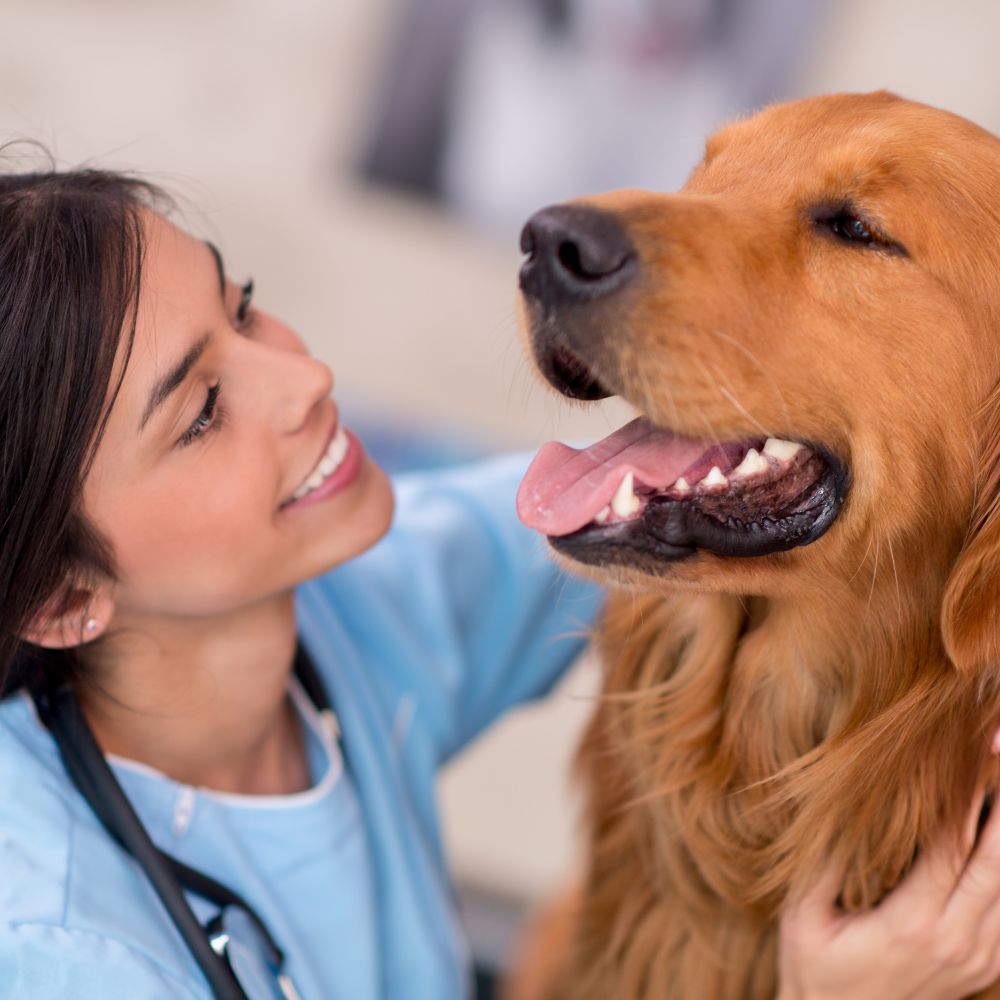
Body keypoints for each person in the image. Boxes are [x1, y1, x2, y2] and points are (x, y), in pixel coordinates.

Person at [0, 163, 998, 1000]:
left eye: (245, 309)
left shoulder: (358, 608)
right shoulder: (65, 954)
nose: (304, 381)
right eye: (205, 410)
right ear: (62, 597)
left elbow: (627, 511)